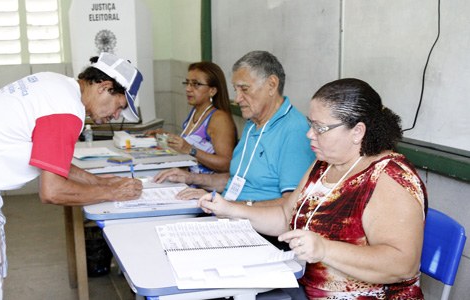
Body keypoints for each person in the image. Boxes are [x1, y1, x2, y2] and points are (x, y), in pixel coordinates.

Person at [0, 52, 144, 299]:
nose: (115, 116)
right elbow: (52, 191)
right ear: (105, 87)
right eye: (119, 107)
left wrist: (100, 182)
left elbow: (52, 161)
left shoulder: (55, 85)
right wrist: (111, 192)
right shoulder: (67, 111)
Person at [199, 78, 428, 299]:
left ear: (357, 131)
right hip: (303, 288)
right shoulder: (324, 164)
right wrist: (231, 210)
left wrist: (324, 249)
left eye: (320, 128)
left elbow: (402, 265)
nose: (310, 134)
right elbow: (286, 215)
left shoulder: (390, 177)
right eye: (311, 125)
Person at [154, 51, 314, 206]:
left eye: (244, 89)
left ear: (271, 85)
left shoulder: (294, 130)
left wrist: (229, 205)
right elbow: (236, 181)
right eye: (235, 90)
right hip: (232, 212)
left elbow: (293, 204)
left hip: (258, 228)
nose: (237, 99)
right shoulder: (253, 123)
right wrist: (191, 178)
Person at [146, 61, 236, 173]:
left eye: (196, 84)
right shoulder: (195, 111)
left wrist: (190, 150)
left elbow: (227, 164)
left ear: (212, 91)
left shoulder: (219, 119)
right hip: (187, 178)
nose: (188, 89)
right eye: (187, 83)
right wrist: (165, 137)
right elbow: (188, 144)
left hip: (204, 186)